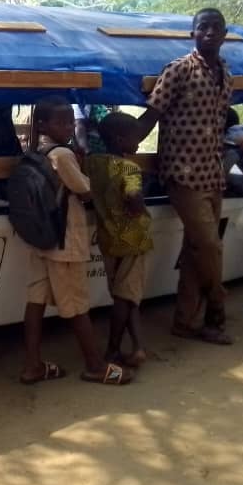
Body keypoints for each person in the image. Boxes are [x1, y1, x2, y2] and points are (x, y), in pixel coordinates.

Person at [136, 8, 235, 345]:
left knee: (197, 250)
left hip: (212, 172)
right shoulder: (179, 70)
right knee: (210, 245)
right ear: (192, 33)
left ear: (224, 34)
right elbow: (151, 115)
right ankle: (217, 308)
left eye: (215, 27)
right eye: (202, 27)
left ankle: (184, 321)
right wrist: (119, 147)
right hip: (182, 173)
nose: (209, 32)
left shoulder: (226, 74)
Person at [19, 96, 132, 386]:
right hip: (66, 240)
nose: (69, 126)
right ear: (43, 123)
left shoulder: (35, 151)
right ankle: (95, 365)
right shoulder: (63, 155)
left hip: (41, 239)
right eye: (62, 121)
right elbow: (84, 191)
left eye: (71, 120)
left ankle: (33, 365)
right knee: (77, 304)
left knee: (35, 301)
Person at [86, 112, 153, 367]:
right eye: (135, 138)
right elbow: (134, 200)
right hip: (134, 238)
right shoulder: (130, 168)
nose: (138, 143)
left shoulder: (93, 163)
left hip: (108, 238)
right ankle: (113, 349)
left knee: (125, 295)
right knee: (127, 297)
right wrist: (141, 203)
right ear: (119, 138)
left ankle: (138, 348)